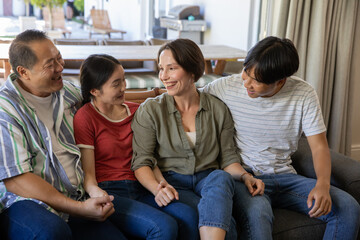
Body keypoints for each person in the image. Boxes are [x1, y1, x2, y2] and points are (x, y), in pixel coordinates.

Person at [202, 36, 360, 239]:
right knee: (259, 215)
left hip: (286, 177)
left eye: (256, 81)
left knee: (348, 208)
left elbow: (319, 146)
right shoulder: (225, 87)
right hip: (248, 178)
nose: (247, 84)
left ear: (280, 82)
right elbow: (185, 98)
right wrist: (152, 96)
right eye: (245, 72)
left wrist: (322, 184)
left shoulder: (303, 93)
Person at [131, 38, 265, 240]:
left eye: (171, 68)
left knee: (221, 177)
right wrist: (157, 189)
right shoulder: (150, 110)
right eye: (161, 69)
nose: (163, 76)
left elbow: (229, 158)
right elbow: (142, 161)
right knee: (227, 225)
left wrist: (246, 176)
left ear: (192, 71)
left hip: (209, 181)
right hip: (172, 182)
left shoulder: (218, 109)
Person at [0, 30, 125, 239]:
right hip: (25, 201)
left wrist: (158, 98)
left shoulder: (67, 93)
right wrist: (79, 208)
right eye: (50, 65)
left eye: (59, 58)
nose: (60, 68)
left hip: (77, 194)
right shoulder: (6, 109)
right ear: (23, 72)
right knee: (53, 232)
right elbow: (17, 180)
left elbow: (105, 98)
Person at [73, 54, 199, 240]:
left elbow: (148, 158)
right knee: (163, 227)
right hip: (111, 192)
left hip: (142, 186)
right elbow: (89, 177)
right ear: (95, 91)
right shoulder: (85, 118)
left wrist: (160, 184)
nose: (124, 87)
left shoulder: (137, 111)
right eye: (116, 84)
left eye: (123, 80)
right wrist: (97, 194)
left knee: (189, 216)